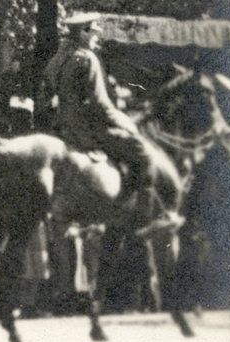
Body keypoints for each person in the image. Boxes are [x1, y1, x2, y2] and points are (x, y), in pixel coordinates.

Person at [46, 13, 158, 220]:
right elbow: (100, 103)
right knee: (145, 154)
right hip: (87, 129)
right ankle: (138, 216)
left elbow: (51, 89)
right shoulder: (88, 59)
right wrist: (126, 122)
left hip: (62, 125)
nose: (97, 36)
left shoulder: (58, 58)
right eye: (94, 32)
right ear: (83, 32)